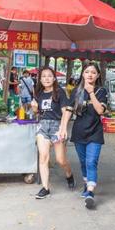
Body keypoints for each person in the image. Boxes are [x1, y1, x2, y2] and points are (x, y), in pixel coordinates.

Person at [60, 61, 108, 210]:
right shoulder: (76, 91)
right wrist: (63, 128)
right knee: (83, 162)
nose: (90, 75)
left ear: (98, 75)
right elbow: (68, 110)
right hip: (79, 132)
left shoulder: (101, 91)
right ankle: (87, 185)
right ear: (83, 74)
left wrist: (91, 92)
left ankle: (90, 194)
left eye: (93, 72)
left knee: (91, 161)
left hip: (95, 132)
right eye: (87, 72)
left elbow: (100, 110)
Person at [30, 67, 75, 199]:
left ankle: (69, 174)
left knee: (61, 160)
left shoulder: (59, 92)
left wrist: (63, 128)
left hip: (57, 126)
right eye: (44, 76)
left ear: (54, 78)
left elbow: (64, 112)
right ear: (40, 79)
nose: (46, 78)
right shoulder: (38, 93)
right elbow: (37, 113)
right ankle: (45, 188)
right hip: (42, 127)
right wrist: (34, 109)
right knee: (43, 157)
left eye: (49, 76)